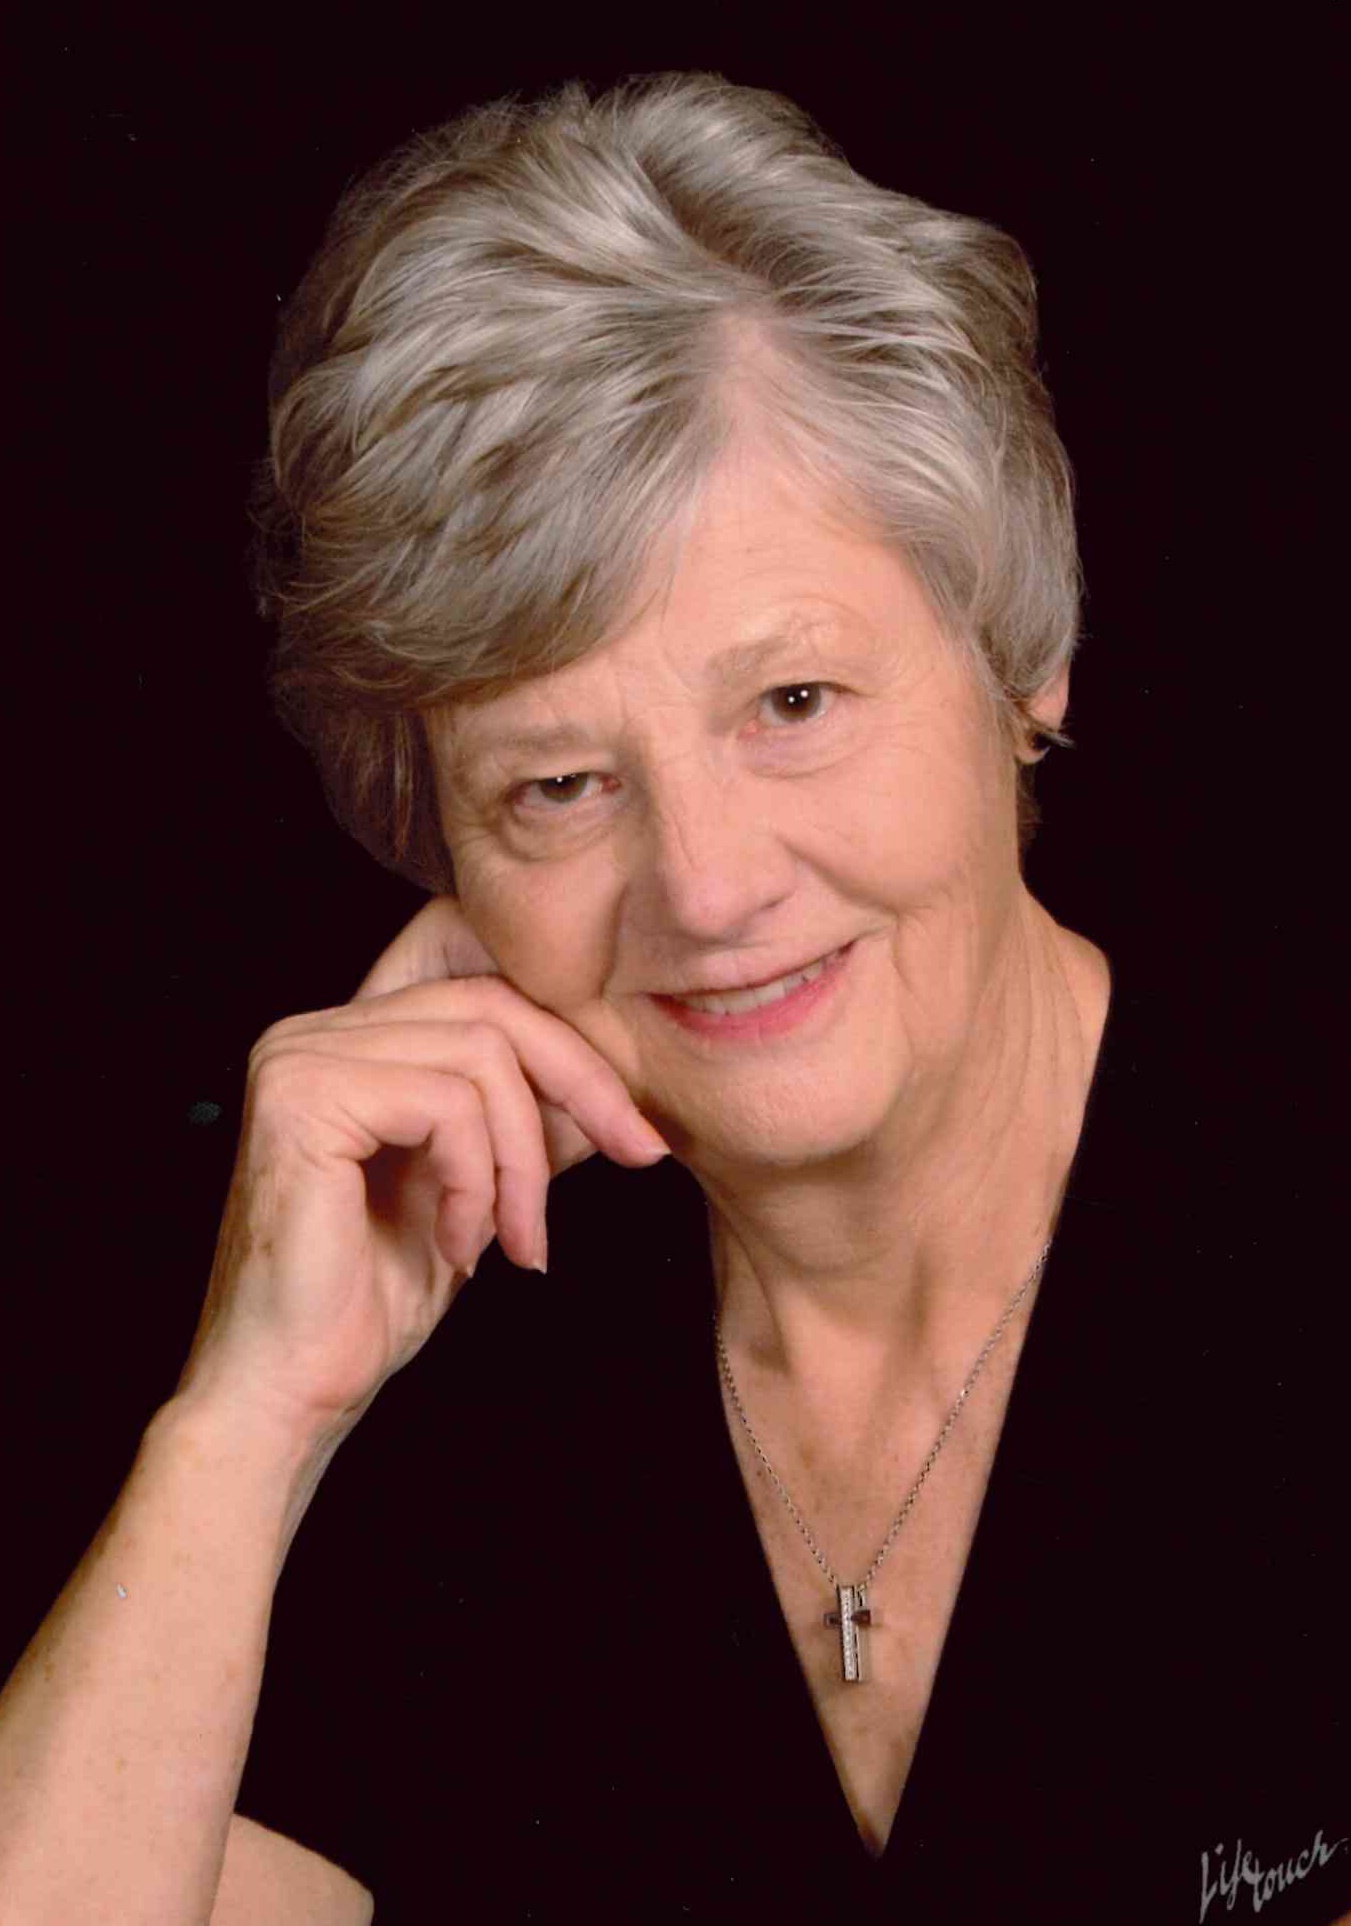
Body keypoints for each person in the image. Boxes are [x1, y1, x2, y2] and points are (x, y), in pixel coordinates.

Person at [2, 70, 1346, 1926]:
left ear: (1019, 655)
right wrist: (249, 1420)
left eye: (792, 703)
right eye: (559, 787)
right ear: (444, 853)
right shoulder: (437, 1390)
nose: (707, 888)